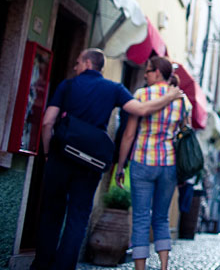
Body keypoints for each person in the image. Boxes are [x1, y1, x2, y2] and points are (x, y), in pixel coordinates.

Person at [31, 48, 182, 270]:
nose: (75, 67)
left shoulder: (68, 85)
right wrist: (168, 96)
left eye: (78, 63)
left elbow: (47, 122)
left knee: (51, 213)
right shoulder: (114, 89)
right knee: (78, 217)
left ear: (87, 64)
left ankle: (41, 265)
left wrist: (46, 153)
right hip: (90, 162)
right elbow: (140, 110)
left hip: (61, 158)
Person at [115, 56, 191, 270]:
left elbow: (129, 134)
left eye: (148, 71)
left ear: (157, 72)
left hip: (142, 160)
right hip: (169, 164)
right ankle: (164, 267)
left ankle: (140, 268)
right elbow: (185, 134)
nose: (146, 75)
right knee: (161, 218)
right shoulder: (182, 100)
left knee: (140, 217)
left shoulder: (141, 95)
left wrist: (121, 166)